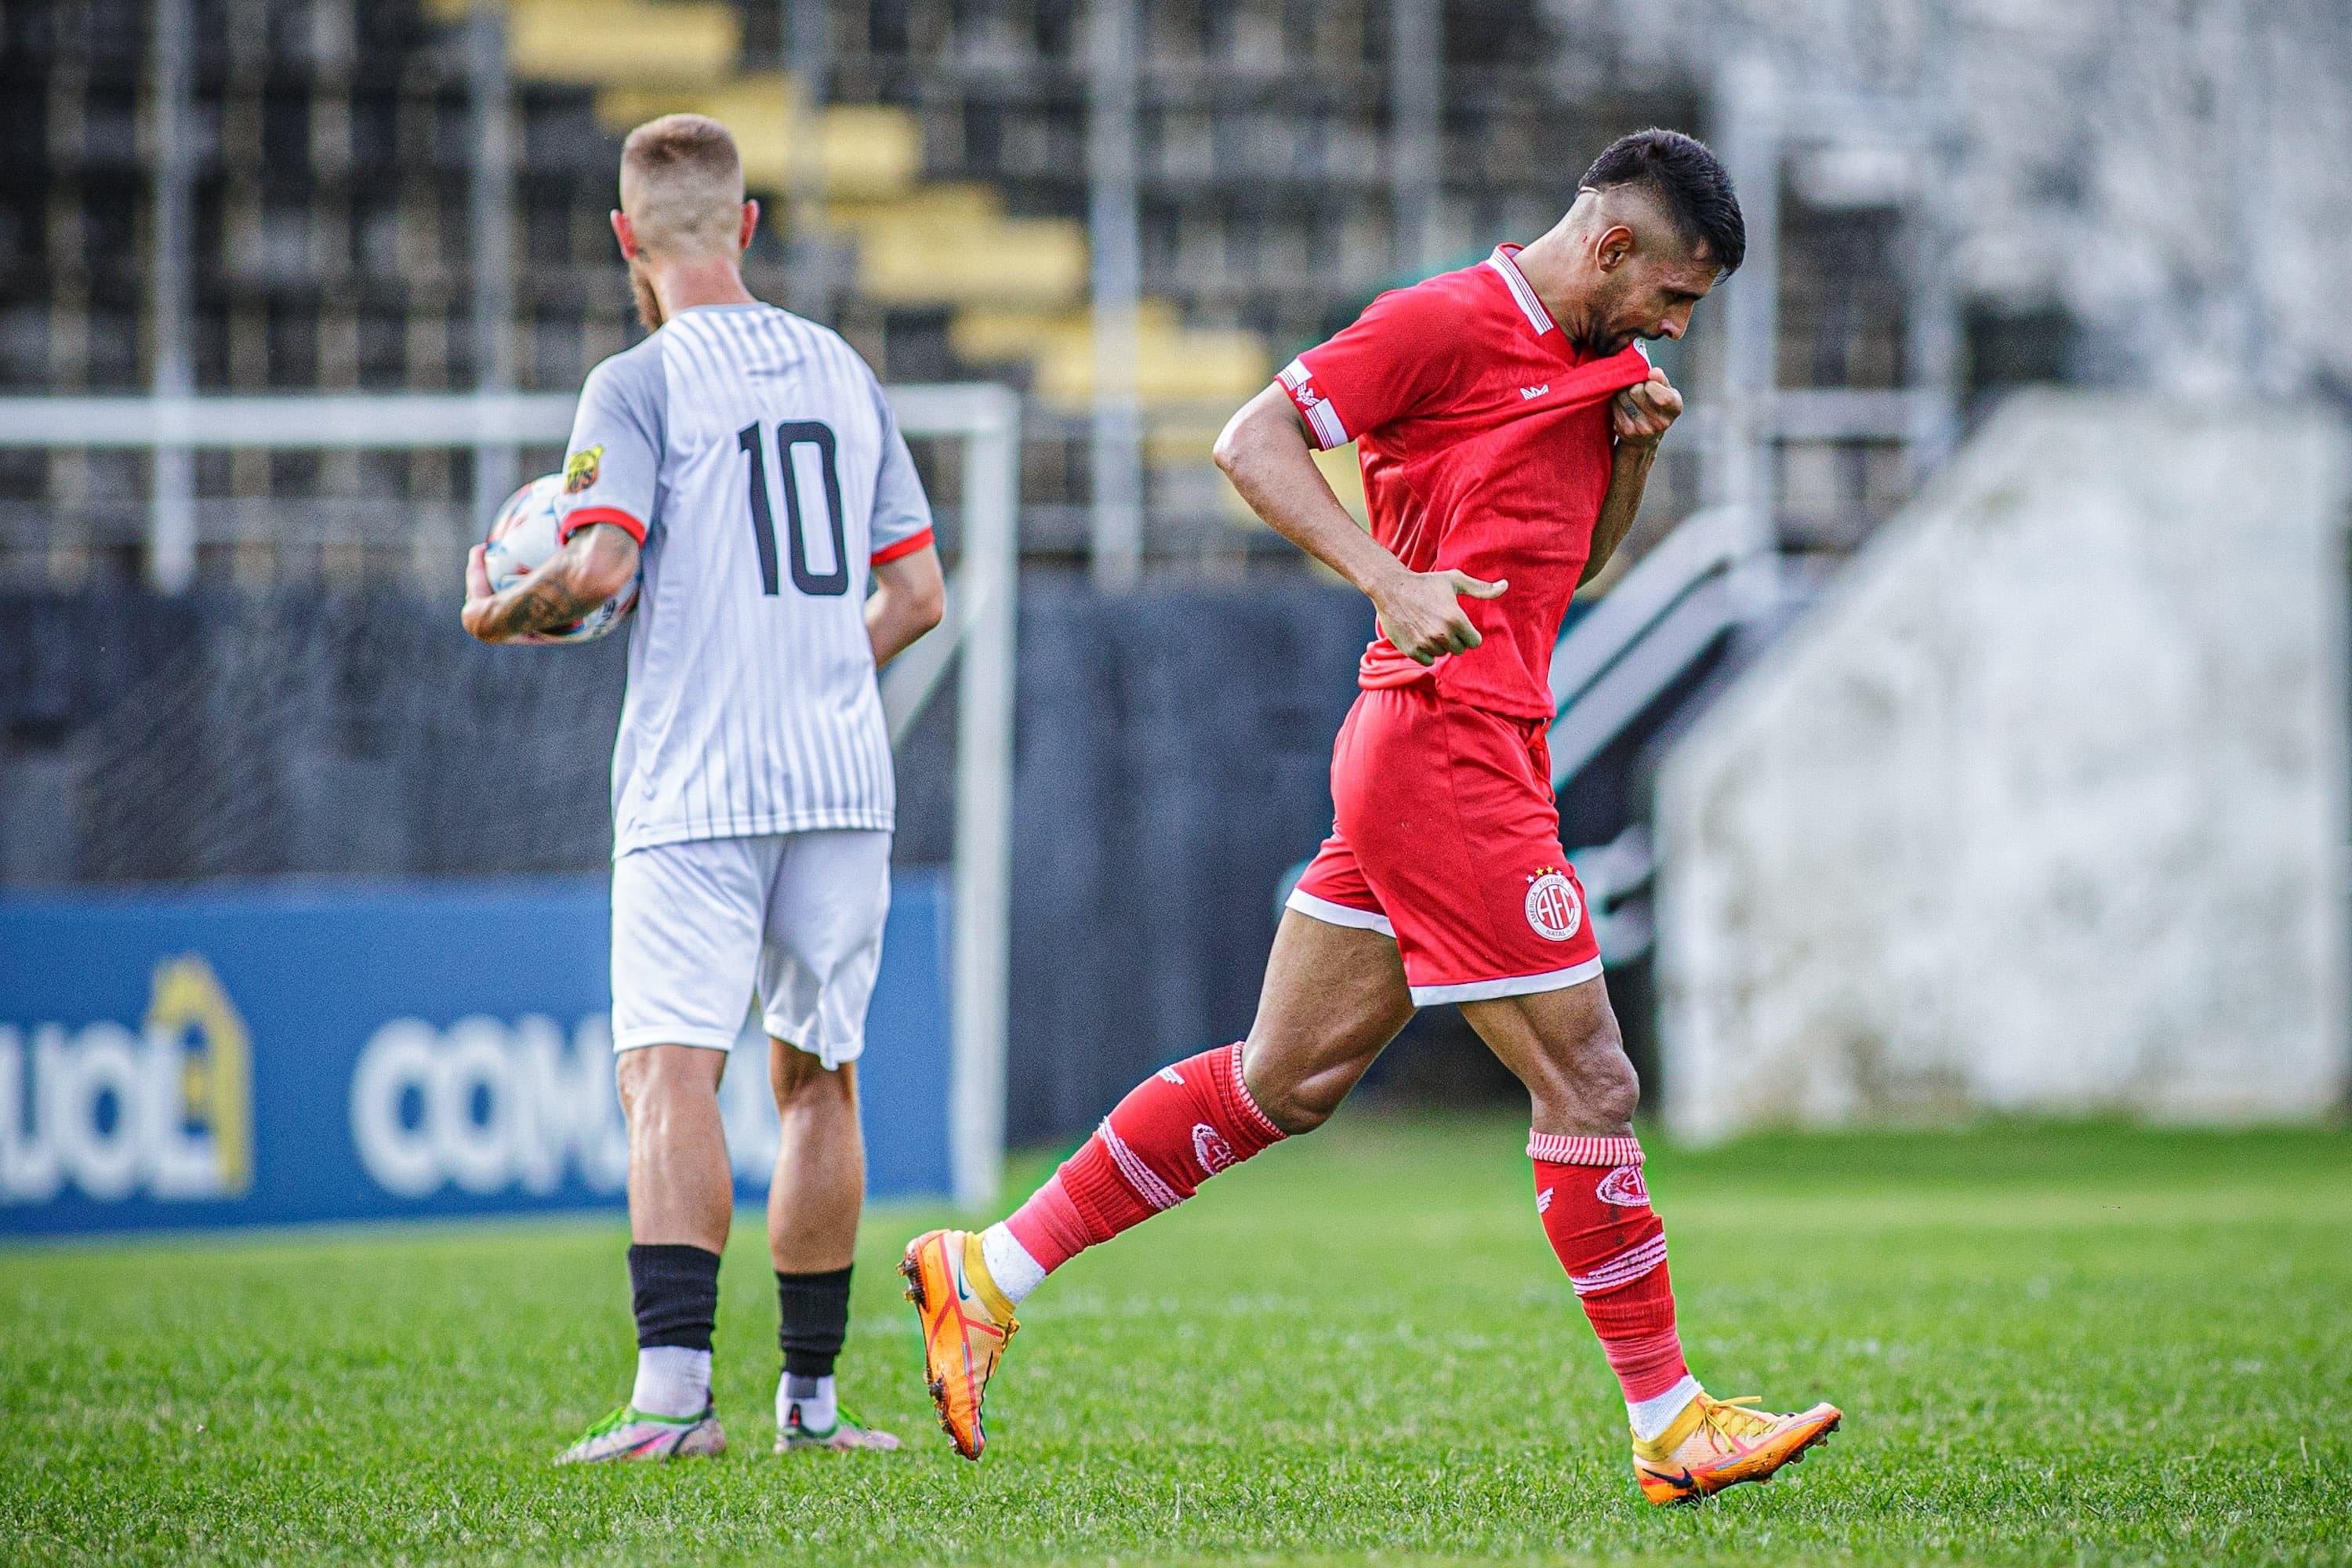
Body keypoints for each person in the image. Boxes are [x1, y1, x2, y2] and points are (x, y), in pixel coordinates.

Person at [902, 129, 1838, 1504]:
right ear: (1614, 245)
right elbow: (1251, 439)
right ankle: (1670, 1416)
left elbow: (1555, 574)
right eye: (1676, 298)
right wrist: (1389, 577)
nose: (1676, 328)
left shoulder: (1606, 367)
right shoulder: (1443, 322)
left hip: (1458, 741)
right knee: (1593, 1083)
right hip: (1444, 747)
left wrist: (1629, 461)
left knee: (1285, 1081)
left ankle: (987, 1269)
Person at [461, 113, 944, 1463]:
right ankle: (814, 1405)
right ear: (746, 225)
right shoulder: (843, 369)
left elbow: (602, 570)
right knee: (820, 1084)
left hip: (699, 780)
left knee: (670, 1075)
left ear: (626, 239)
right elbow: (917, 595)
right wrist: (810, 666)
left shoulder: (636, 381)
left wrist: (497, 615)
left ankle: (675, 1401)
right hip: (841, 776)